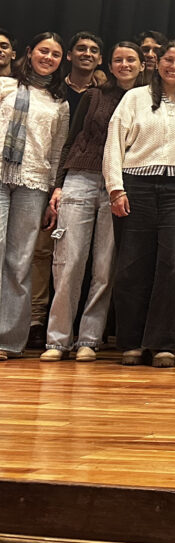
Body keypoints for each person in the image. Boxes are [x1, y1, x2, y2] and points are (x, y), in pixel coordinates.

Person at [104, 39, 175, 368]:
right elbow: (114, 143)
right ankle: (132, 342)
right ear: (157, 63)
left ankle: (162, 343)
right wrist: (115, 189)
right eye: (168, 60)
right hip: (137, 185)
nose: (173, 66)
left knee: (173, 266)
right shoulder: (135, 98)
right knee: (132, 266)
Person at [40, 41, 144, 361]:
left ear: (142, 65)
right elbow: (70, 141)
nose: (124, 65)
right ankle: (57, 340)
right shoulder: (93, 96)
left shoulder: (147, 100)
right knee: (68, 262)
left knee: (104, 267)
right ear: (109, 66)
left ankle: (89, 339)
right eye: (118, 60)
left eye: (131, 59)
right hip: (81, 179)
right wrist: (59, 185)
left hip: (120, 186)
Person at [29, 29, 106, 349]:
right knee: (42, 253)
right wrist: (55, 183)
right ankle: (37, 321)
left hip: (84, 178)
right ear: (69, 56)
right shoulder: (54, 90)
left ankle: (85, 333)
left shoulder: (103, 91)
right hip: (46, 173)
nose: (87, 54)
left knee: (90, 260)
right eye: (81, 48)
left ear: (100, 59)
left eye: (94, 50)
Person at [0, 33, 69, 359]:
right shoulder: (5, 86)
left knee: (20, 260)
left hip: (34, 183)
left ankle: (8, 340)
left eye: (55, 54)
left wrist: (55, 190)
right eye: (44, 51)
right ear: (29, 52)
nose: (48, 58)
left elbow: (57, 151)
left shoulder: (59, 103)